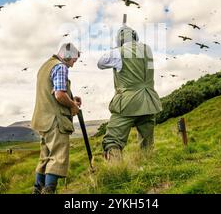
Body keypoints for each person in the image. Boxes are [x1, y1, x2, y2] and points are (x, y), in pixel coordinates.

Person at [97, 25, 162, 161]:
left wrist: (116, 49)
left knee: (112, 140)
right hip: (149, 101)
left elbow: (100, 63)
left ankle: (116, 173)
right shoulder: (147, 50)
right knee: (147, 142)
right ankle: (149, 167)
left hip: (128, 103)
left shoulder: (118, 52)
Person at [30, 43, 82, 194]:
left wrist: (71, 98)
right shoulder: (61, 67)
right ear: (66, 56)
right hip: (55, 121)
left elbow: (51, 92)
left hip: (42, 119)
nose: (73, 64)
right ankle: (48, 191)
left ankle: (37, 190)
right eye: (73, 60)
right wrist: (73, 106)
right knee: (57, 157)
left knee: (45, 157)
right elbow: (59, 94)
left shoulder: (45, 66)